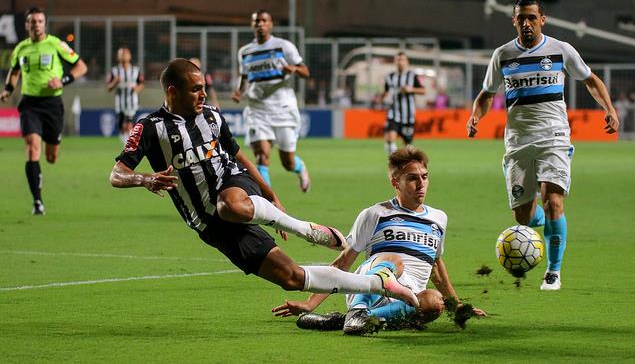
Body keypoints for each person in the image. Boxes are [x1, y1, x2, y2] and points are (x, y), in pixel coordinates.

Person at [109, 58, 420, 311]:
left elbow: (237, 155)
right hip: (210, 225)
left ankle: (302, 228)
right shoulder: (149, 128)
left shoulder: (213, 117)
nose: (203, 95)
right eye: (195, 90)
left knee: (229, 204)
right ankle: (380, 285)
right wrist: (145, 178)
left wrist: (271, 194)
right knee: (292, 277)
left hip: (232, 185)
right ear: (172, 91)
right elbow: (117, 174)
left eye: (204, 88)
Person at [466, 0, 619, 290]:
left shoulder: (561, 50)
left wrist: (609, 109)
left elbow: (591, 80)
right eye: (521, 18)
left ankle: (553, 271)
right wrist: (476, 117)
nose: (526, 23)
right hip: (518, 141)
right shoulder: (502, 55)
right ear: (514, 21)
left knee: (554, 203)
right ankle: (541, 219)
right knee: (523, 217)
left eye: (532, 17)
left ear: (542, 20)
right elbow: (486, 95)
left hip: (554, 137)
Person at [272, 146, 486, 335]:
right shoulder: (376, 213)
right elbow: (343, 263)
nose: (421, 183)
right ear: (396, 182)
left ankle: (352, 319)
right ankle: (357, 311)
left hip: (408, 297)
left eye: (424, 176)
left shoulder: (438, 219)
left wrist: (456, 306)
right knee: (394, 261)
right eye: (412, 178)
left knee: (434, 302)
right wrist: (310, 303)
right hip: (370, 288)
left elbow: (436, 267)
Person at [0, 7, 87, 215]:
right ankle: (37, 201)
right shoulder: (21, 49)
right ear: (26, 25)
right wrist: (8, 89)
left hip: (52, 105)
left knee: (51, 157)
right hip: (29, 104)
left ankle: (47, 159)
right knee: (32, 148)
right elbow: (14, 72)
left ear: (44, 24)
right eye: (32, 21)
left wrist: (63, 80)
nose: (36, 25)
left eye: (40, 21)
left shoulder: (56, 44)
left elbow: (81, 67)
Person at [232, 10, 311, 192]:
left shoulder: (284, 46)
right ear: (252, 25)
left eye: (264, 21)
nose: (260, 24)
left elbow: (305, 71)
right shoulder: (245, 52)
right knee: (261, 154)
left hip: (283, 109)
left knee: (287, 162)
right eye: (256, 21)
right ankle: (268, 200)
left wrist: (292, 69)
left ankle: (300, 168)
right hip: (257, 108)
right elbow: (244, 77)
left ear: (271, 24)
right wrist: (239, 91)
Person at [380, 52, 425, 154]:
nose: (400, 62)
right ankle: (394, 162)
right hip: (394, 113)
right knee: (390, 138)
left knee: (408, 147)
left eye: (402, 60)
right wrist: (382, 98)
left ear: (407, 62)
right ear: (395, 62)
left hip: (408, 116)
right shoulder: (390, 77)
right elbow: (386, 92)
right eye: (398, 60)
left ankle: (406, 163)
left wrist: (411, 89)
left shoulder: (413, 76)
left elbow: (423, 91)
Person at [106, 46, 145, 144]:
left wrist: (136, 89)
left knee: (127, 125)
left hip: (131, 102)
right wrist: (115, 82)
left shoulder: (135, 70)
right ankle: (127, 145)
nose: (123, 55)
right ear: (117, 57)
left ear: (130, 56)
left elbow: (141, 83)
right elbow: (108, 88)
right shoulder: (114, 71)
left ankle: (128, 147)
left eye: (125, 53)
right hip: (119, 103)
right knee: (121, 127)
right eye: (121, 53)